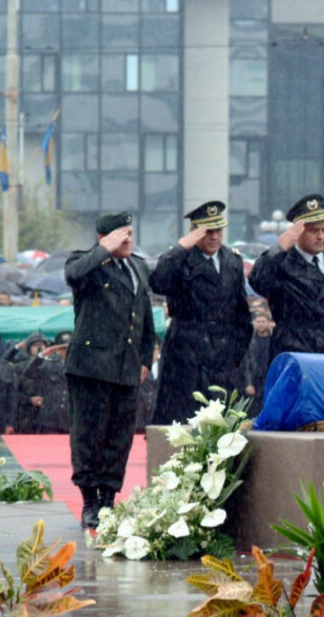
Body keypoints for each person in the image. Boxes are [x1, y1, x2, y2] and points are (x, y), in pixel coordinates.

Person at [65, 211, 156, 529]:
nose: (129, 240)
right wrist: (103, 249)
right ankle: (90, 501)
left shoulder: (138, 267)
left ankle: (108, 498)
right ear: (103, 238)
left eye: (131, 234)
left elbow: (144, 315)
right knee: (90, 436)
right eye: (122, 235)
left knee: (119, 438)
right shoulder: (87, 262)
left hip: (126, 368)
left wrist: (146, 357)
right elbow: (74, 276)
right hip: (91, 368)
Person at [149, 200, 252, 425]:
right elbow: (158, 282)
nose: (214, 236)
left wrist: (235, 355)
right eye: (208, 231)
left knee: (222, 423)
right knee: (183, 419)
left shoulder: (232, 261)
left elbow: (243, 316)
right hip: (187, 353)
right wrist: (180, 248)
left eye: (218, 230)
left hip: (222, 355)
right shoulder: (180, 259)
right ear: (194, 233)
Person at [249, 195, 324, 363]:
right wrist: (279, 248)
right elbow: (257, 281)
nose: (321, 236)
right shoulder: (282, 263)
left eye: (323, 229)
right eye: (313, 231)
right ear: (298, 232)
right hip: (294, 354)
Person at [241, 312, 273, 416]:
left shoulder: (274, 341)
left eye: (263, 321)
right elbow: (247, 364)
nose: (260, 324)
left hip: (269, 379)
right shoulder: (249, 342)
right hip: (255, 381)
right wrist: (248, 383)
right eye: (258, 322)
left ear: (268, 323)